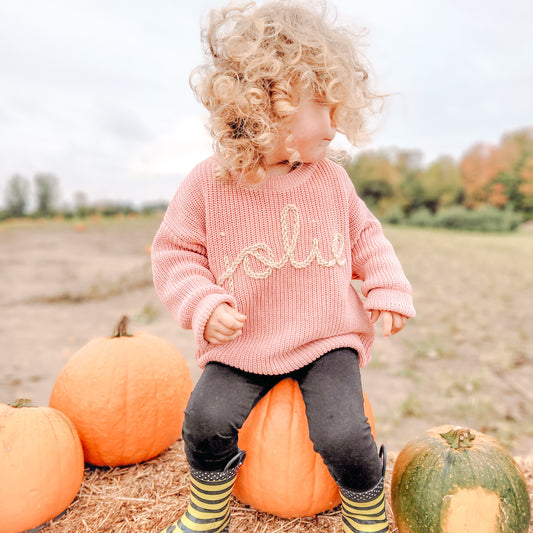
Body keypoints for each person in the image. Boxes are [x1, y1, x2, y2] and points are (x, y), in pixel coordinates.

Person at [151, 1, 415, 532]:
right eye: (324, 104)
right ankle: (209, 501)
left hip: (325, 338)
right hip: (245, 344)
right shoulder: (210, 183)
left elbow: (366, 235)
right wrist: (204, 303)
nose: (336, 124)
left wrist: (387, 285)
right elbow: (175, 252)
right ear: (270, 102)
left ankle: (365, 505)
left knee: (342, 433)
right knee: (204, 420)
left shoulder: (331, 182)